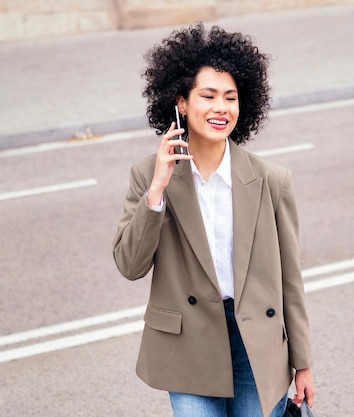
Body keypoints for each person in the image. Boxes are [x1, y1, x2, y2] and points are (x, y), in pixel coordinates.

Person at [112, 23, 314, 417]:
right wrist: (157, 189)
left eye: (231, 98)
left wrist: (303, 362)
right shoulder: (148, 175)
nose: (221, 108)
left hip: (256, 342)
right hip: (188, 342)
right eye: (208, 96)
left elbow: (291, 278)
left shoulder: (272, 180)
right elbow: (130, 265)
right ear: (181, 103)